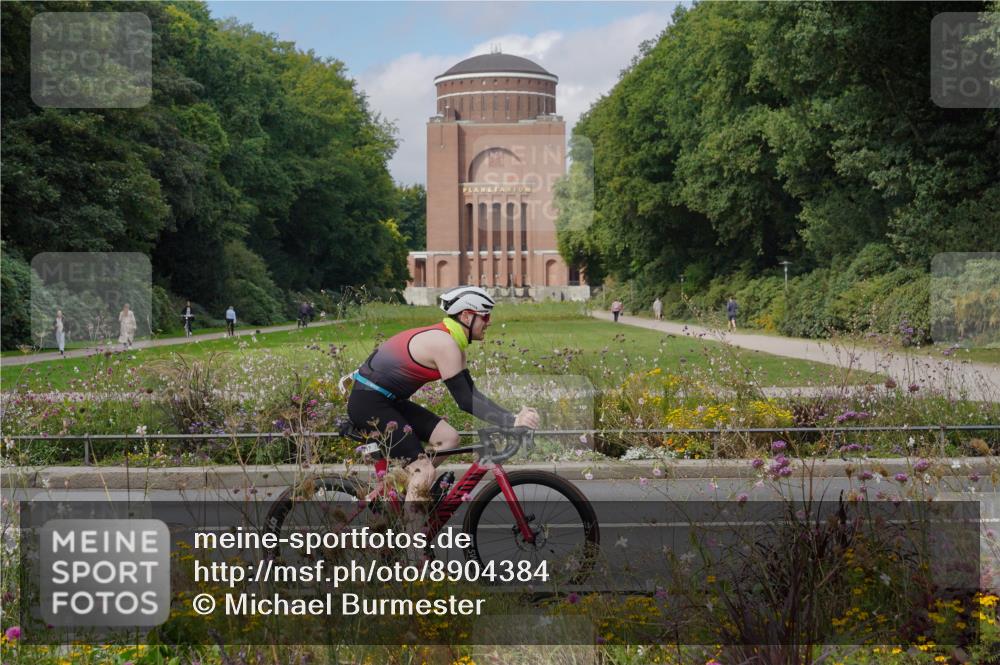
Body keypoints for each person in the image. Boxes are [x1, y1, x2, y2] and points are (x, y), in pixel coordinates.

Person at [343, 286, 539, 519]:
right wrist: (511, 420)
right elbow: (465, 401)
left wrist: (512, 417)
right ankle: (412, 546)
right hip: (370, 404)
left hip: (387, 401)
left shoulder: (452, 342)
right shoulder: (444, 343)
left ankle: (408, 491)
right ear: (467, 316)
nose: (489, 322)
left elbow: (472, 394)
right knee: (424, 469)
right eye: (485, 315)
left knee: (449, 439)